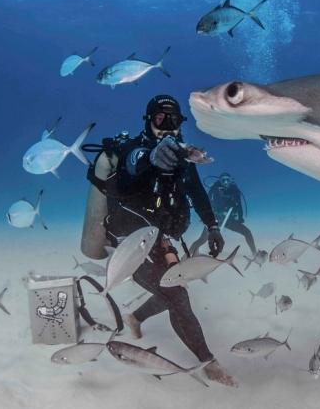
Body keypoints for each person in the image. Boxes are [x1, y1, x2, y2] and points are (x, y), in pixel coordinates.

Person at [103, 94, 237, 387]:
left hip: (159, 237)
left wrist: (213, 226)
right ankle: (207, 361)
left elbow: (198, 193)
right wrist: (151, 159)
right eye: (159, 118)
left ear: (181, 123)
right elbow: (132, 167)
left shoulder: (183, 159)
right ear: (148, 121)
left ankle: (135, 318)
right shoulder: (132, 150)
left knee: (171, 288)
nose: (166, 125)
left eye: (173, 118)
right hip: (129, 242)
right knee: (177, 295)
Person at [190, 172, 257, 256]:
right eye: (223, 180)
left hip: (229, 219)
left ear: (230, 180)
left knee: (247, 232)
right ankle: (188, 253)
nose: (225, 182)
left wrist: (240, 217)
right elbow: (208, 202)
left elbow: (239, 204)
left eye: (227, 180)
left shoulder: (234, 189)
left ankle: (254, 253)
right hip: (214, 220)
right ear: (220, 181)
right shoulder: (215, 187)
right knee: (202, 239)